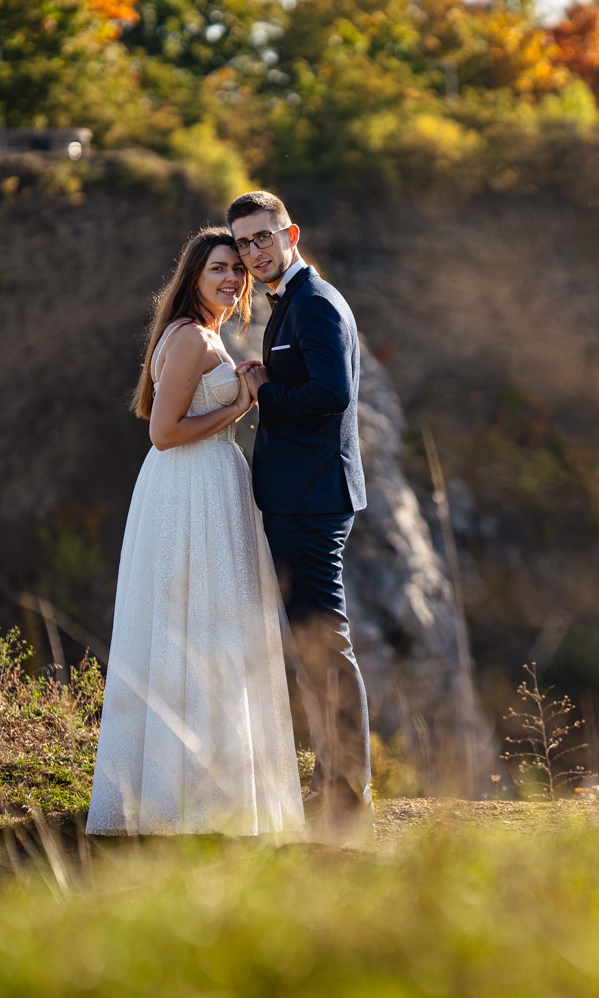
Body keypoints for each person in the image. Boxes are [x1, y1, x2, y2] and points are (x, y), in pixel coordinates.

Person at [85, 227, 304, 837]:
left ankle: (211, 792)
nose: (233, 279)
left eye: (238, 269)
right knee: (194, 628)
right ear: (194, 278)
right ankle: (182, 801)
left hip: (208, 485)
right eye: (219, 269)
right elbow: (163, 432)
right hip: (188, 489)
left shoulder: (207, 335)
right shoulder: (188, 337)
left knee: (213, 633)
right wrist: (242, 403)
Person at [228, 190, 371, 838]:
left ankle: (346, 795)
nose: (253, 253)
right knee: (314, 644)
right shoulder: (290, 301)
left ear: (290, 233)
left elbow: (330, 394)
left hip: (313, 498)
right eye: (242, 244)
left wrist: (262, 389)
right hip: (298, 495)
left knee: (325, 644)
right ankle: (330, 782)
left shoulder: (313, 301)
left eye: (262, 238)